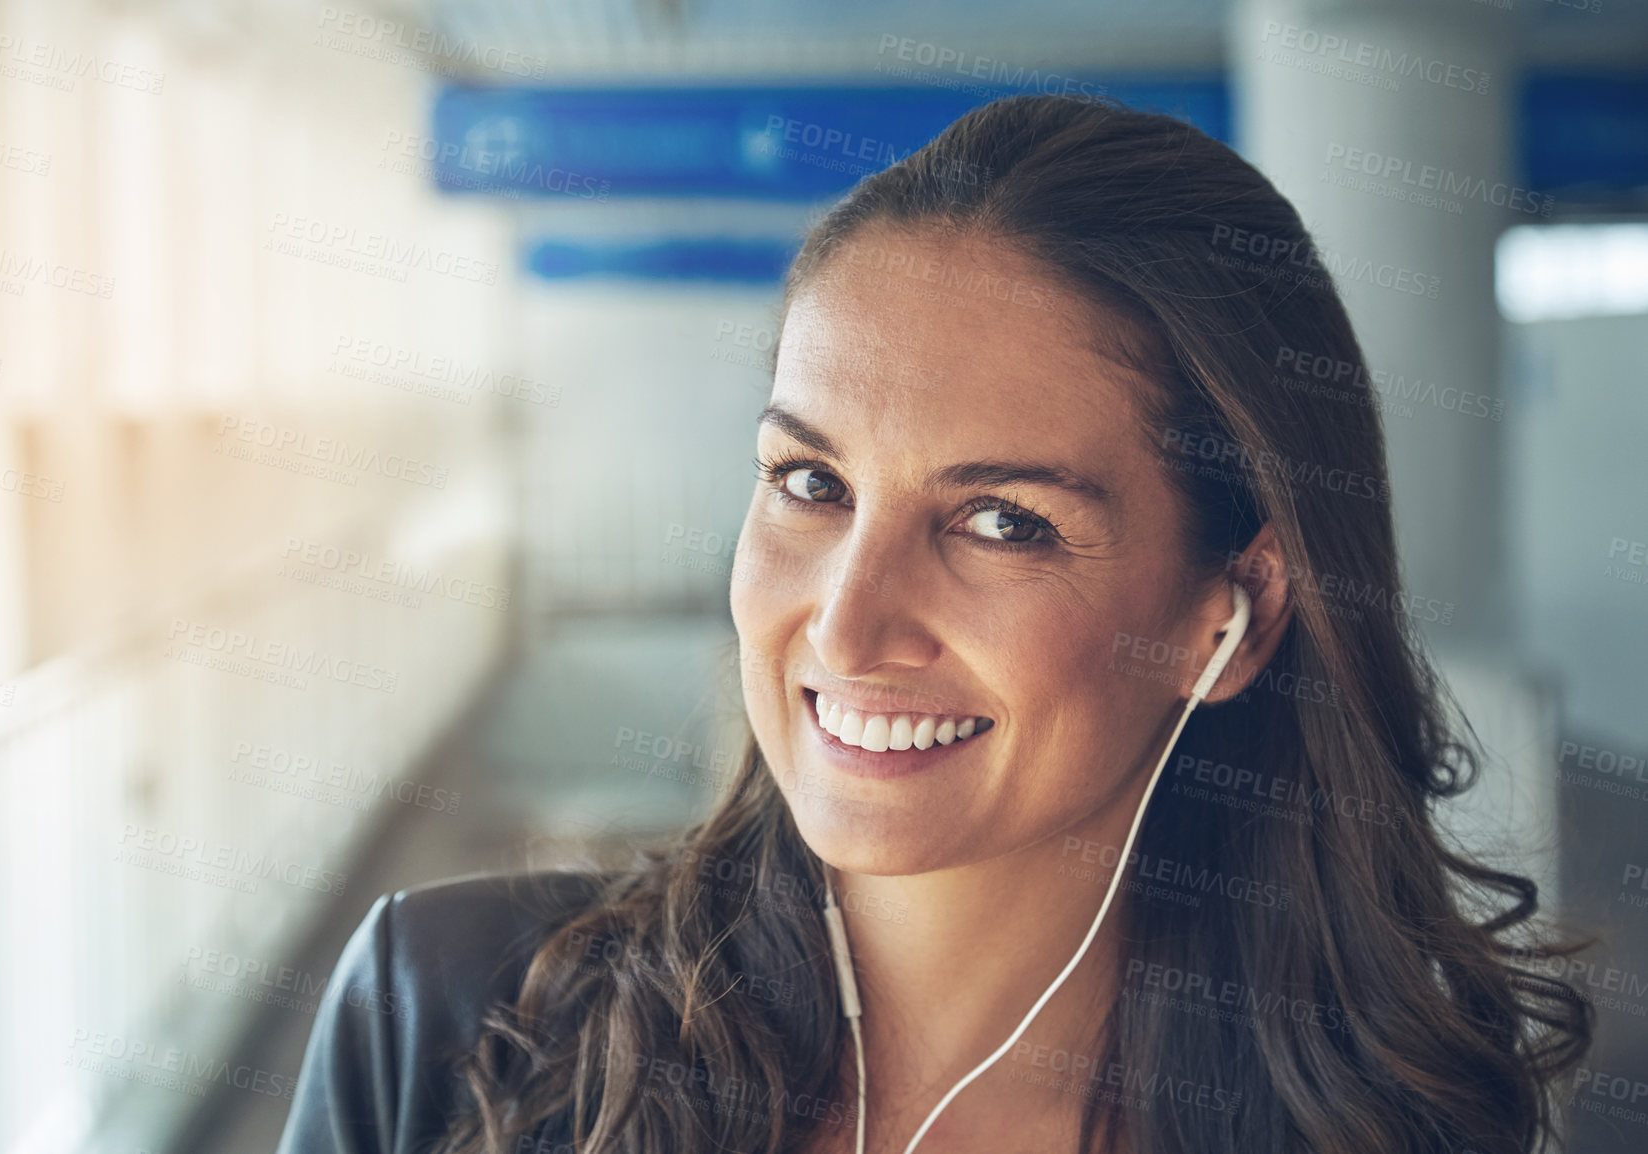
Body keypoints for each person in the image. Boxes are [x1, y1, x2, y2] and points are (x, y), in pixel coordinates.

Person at [274, 93, 1592, 1154]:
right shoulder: (446, 1027)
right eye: (811, 483)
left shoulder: (1394, 1127)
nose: (847, 625)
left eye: (1003, 521)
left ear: (1230, 620)